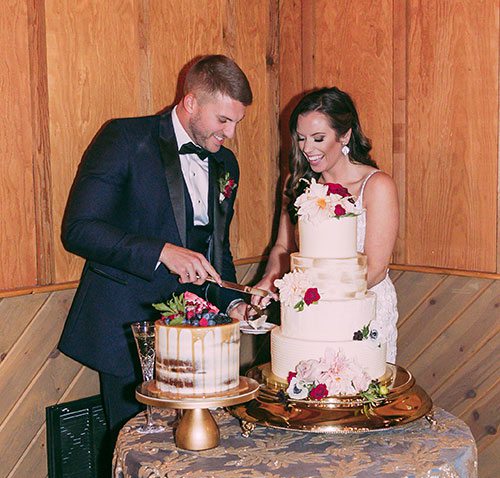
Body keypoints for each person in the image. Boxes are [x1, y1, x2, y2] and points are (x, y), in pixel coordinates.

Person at [58, 55, 252, 438]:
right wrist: (162, 252)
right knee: (138, 451)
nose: (229, 133)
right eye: (222, 120)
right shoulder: (125, 139)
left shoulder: (226, 163)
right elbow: (78, 229)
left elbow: (217, 249)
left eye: (236, 122)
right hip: (130, 334)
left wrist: (231, 301)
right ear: (191, 102)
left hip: (196, 336)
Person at [256, 87, 399, 362]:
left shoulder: (377, 186)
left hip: (361, 312)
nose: (307, 148)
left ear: (344, 135)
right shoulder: (296, 182)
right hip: (307, 314)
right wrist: (269, 281)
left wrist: (323, 304)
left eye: (318, 138)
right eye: (301, 138)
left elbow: (377, 267)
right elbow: (283, 246)